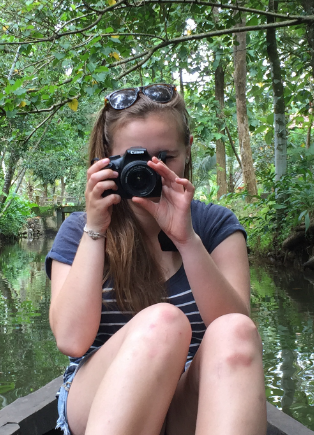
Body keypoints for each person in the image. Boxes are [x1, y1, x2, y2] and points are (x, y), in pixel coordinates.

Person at [44, 83, 267, 435]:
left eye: (165, 157)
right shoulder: (79, 230)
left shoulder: (215, 225)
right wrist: (96, 229)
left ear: (188, 151)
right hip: (97, 402)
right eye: (137, 158)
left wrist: (186, 240)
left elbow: (238, 338)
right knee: (163, 323)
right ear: (107, 159)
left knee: (236, 329)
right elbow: (71, 341)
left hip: (187, 405)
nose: (151, 169)